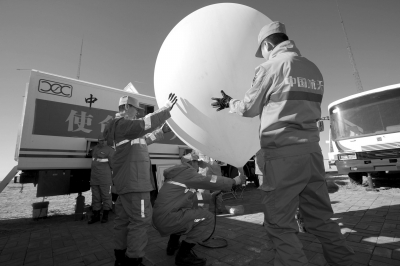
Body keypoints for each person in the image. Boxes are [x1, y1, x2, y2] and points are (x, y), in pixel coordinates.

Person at [211, 21, 354, 265]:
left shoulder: (270, 67)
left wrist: (229, 103)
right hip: (311, 153)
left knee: (279, 224)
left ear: (267, 44)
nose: (263, 55)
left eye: (262, 50)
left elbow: (248, 107)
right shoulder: (313, 68)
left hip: (282, 154)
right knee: (321, 219)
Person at [104, 94, 178, 266]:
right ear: (127, 107)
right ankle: (133, 260)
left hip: (126, 184)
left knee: (122, 221)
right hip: (136, 184)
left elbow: (143, 139)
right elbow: (145, 124)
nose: (137, 114)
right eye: (136, 110)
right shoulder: (122, 123)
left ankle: (120, 258)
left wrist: (162, 132)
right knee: (141, 220)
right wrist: (166, 108)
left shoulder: (122, 128)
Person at [152, 151, 246, 266]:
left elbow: (192, 199)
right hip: (168, 219)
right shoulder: (188, 173)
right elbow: (210, 180)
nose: (200, 166)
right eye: (198, 163)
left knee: (189, 214)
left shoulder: (178, 175)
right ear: (192, 162)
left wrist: (211, 196)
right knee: (206, 218)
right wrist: (234, 181)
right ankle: (183, 255)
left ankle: (173, 245)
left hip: (162, 217)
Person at [88, 134, 115, 224]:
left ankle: (105, 216)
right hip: (94, 178)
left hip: (105, 179)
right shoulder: (95, 149)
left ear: (107, 140)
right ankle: (96, 216)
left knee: (106, 197)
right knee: (95, 197)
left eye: (103, 140)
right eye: (100, 140)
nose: (101, 141)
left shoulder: (110, 150)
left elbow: (113, 165)